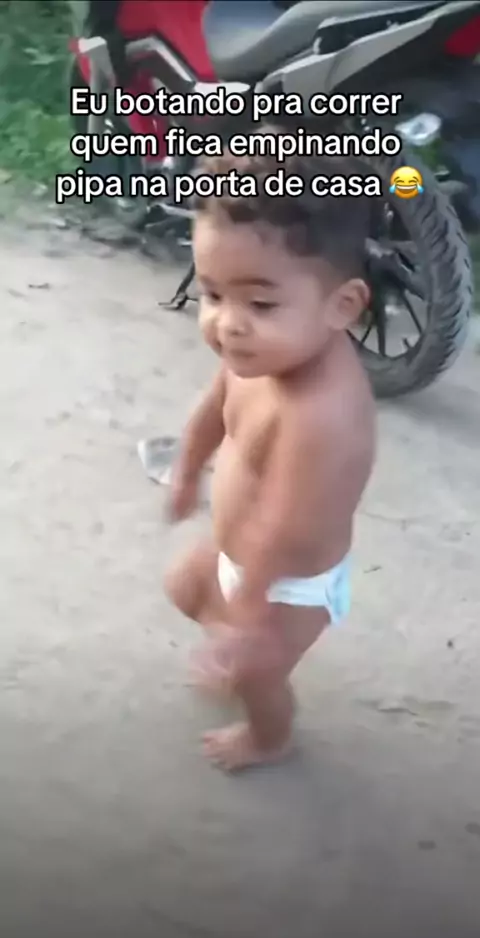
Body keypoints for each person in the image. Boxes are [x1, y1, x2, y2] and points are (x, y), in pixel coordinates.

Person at [164, 147, 376, 772]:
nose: (228, 325)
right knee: (186, 588)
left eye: (260, 304)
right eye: (211, 293)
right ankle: (233, 646)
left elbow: (284, 530)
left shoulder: (322, 416)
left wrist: (248, 621)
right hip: (243, 552)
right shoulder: (261, 354)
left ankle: (270, 736)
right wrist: (187, 469)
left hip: (286, 584)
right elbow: (214, 407)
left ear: (342, 306)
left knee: (257, 675)